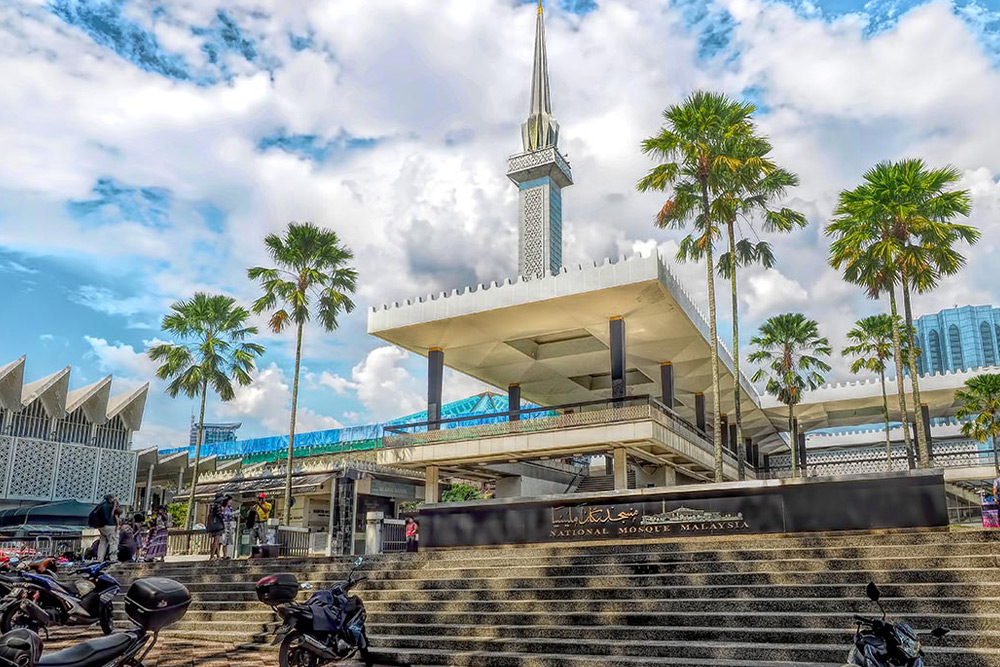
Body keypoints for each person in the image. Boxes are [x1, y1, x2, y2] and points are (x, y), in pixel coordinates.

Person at [88, 494, 118, 562]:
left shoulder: (101, 505)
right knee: (113, 542)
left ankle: (100, 558)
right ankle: (113, 558)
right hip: (110, 525)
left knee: (102, 542)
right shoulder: (111, 506)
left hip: (101, 526)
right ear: (110, 499)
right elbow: (114, 514)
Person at [206, 494, 225, 560]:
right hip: (218, 525)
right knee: (216, 540)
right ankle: (212, 555)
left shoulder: (212, 505)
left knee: (215, 540)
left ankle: (218, 555)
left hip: (212, 525)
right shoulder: (218, 506)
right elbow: (220, 515)